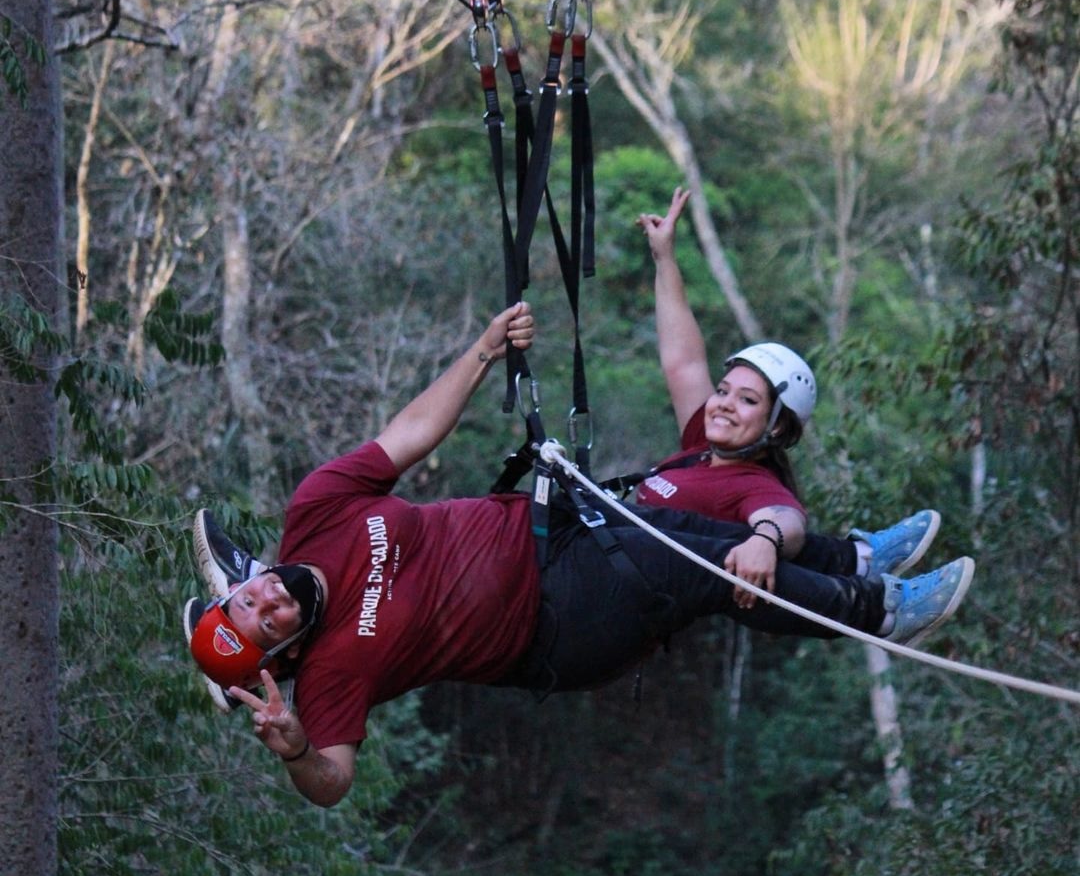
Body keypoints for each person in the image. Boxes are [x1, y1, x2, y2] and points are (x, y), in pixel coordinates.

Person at [183, 302, 974, 808]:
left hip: (550, 537)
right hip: (557, 625)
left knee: (705, 541)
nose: (272, 602)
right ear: (284, 650)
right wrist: (294, 754)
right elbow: (334, 781)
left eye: (252, 600)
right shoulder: (331, 672)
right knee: (693, 568)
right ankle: (881, 612)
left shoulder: (317, 511)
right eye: (268, 622)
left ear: (246, 583)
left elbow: (413, 432)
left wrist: (483, 351)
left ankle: (856, 564)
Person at [636, 186, 950, 609]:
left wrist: (765, 540)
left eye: (747, 400)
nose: (724, 402)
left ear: (776, 425)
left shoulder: (751, 482)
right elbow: (684, 361)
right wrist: (664, 258)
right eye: (724, 391)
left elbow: (786, 519)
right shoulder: (698, 449)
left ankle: (876, 598)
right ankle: (859, 559)